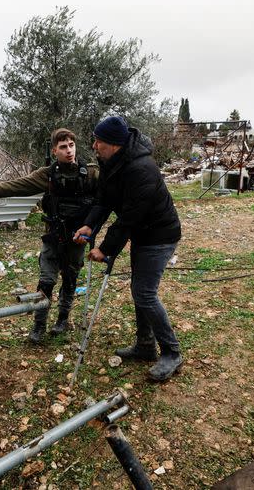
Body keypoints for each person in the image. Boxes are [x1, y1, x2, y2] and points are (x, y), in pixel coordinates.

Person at [0, 128, 98, 343]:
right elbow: (15, 186)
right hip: (54, 237)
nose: (69, 151)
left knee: (70, 279)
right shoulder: (47, 175)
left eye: (71, 145)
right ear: (54, 150)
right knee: (46, 281)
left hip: (77, 239)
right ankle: (39, 326)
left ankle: (63, 319)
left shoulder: (92, 173)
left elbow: (106, 200)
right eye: (63, 147)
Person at [73, 116, 183, 382]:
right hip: (142, 234)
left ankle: (172, 351)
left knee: (144, 293)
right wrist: (90, 225)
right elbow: (105, 199)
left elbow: (129, 217)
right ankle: (146, 345)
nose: (94, 145)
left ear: (114, 144)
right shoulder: (112, 161)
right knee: (140, 290)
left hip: (160, 235)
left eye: (99, 141)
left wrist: (105, 249)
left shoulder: (141, 168)